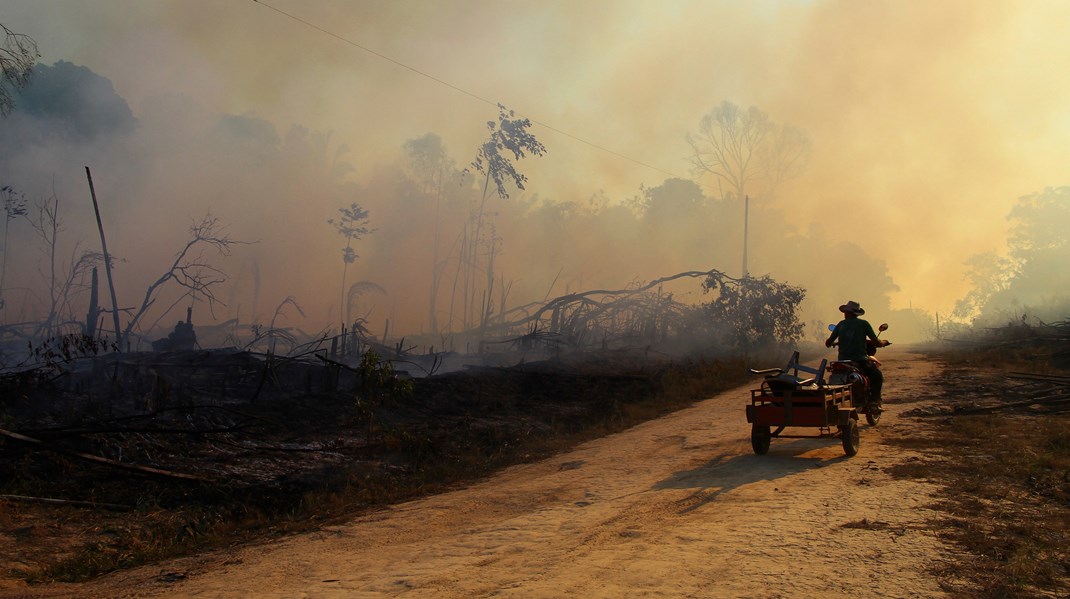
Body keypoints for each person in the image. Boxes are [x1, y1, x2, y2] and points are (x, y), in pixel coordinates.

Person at [825, 300, 890, 407]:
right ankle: (875, 401)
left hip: (842, 360)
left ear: (847, 312)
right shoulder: (863, 324)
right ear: (856, 313)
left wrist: (833, 343)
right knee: (877, 376)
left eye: (845, 312)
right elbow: (876, 342)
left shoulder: (841, 324)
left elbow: (828, 343)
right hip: (860, 359)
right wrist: (884, 342)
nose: (844, 314)